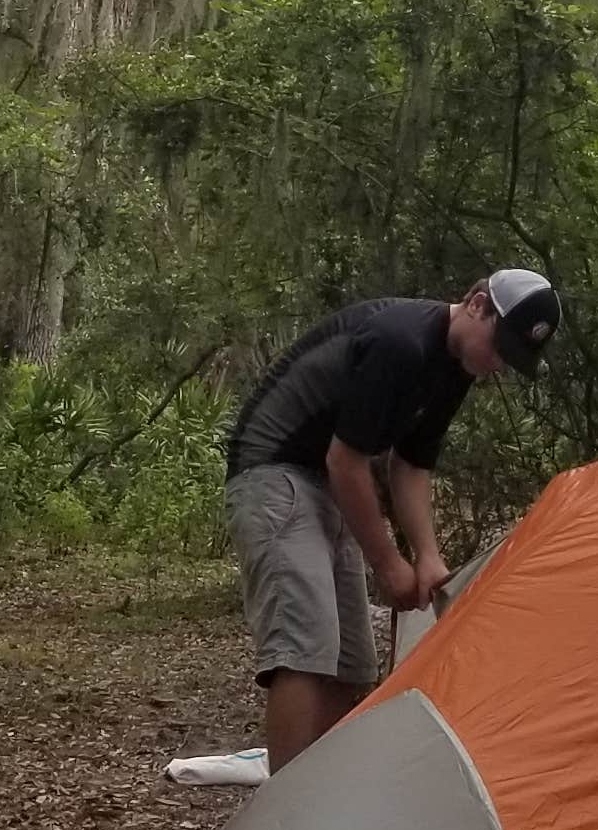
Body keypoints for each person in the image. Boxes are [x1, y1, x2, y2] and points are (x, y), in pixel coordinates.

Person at [222, 268, 560, 769]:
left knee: (352, 662)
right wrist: (388, 563)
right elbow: (347, 461)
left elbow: (411, 464)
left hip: (328, 483)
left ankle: (326, 790)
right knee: (306, 648)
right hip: (276, 470)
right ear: (476, 304)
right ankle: (288, 814)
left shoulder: (457, 367)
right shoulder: (400, 341)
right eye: (498, 345)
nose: (495, 364)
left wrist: (427, 556)